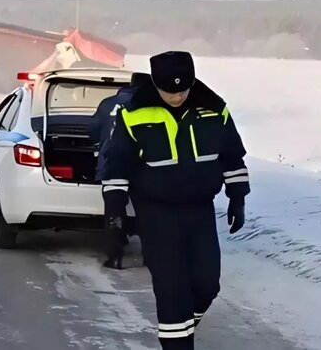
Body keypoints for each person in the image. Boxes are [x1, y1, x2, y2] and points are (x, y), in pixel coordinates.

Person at [101, 51, 249, 349]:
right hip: (156, 213)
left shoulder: (214, 109)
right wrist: (115, 215)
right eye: (170, 91)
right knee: (171, 290)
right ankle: (177, 338)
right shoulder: (133, 113)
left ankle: (182, 329)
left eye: (183, 90)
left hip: (199, 210)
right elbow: (116, 167)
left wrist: (237, 197)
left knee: (207, 284)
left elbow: (232, 157)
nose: (177, 96)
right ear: (155, 84)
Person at [93, 72, 148, 269]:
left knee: (114, 212)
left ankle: (115, 257)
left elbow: (92, 131)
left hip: (113, 166)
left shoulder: (107, 103)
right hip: (141, 168)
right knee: (146, 212)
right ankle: (149, 257)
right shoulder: (150, 106)